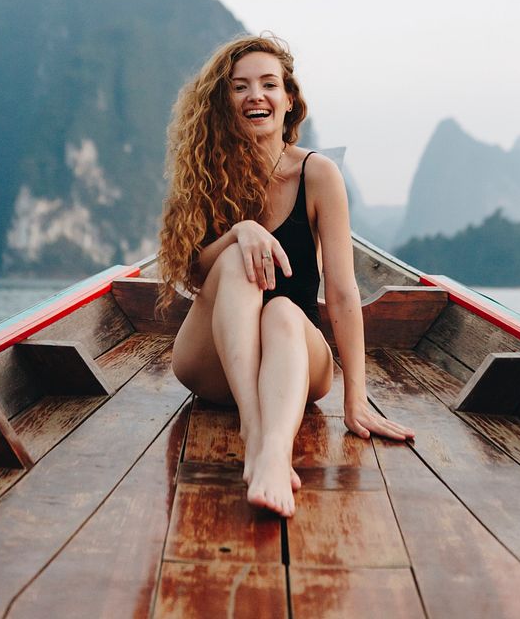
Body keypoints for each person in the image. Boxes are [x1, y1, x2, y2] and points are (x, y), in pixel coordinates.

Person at [158, 34, 414, 518]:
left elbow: (340, 290)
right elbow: (191, 273)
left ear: (289, 99)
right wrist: (240, 230)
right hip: (216, 366)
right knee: (237, 258)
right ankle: (255, 431)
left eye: (269, 84)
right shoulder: (208, 173)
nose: (256, 95)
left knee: (281, 309)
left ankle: (274, 453)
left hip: (295, 356)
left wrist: (356, 400)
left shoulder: (317, 175)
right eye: (239, 87)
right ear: (223, 102)